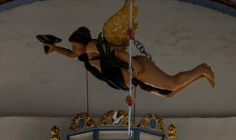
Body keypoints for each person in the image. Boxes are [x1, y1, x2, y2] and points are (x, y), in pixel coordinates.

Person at [37, 26, 214, 98]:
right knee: (169, 94)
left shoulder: (91, 46)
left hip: (134, 69)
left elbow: (116, 51)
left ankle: (201, 68)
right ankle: (197, 76)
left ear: (82, 42)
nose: (74, 50)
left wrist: (133, 63)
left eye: (75, 46)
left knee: (172, 84)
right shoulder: (84, 55)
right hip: (128, 80)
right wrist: (53, 48)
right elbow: (69, 55)